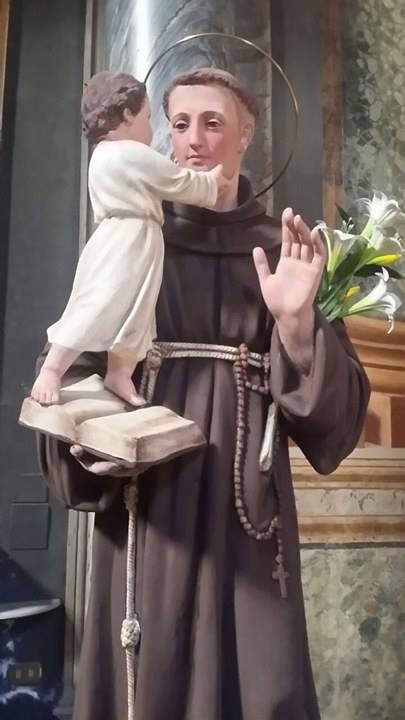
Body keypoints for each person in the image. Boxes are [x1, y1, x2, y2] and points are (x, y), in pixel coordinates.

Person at [38, 68, 370, 720]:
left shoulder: (283, 250)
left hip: (244, 514)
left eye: (213, 123)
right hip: (147, 500)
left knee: (257, 678)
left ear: (245, 135)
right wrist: (86, 441)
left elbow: (337, 424)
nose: (192, 140)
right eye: (179, 123)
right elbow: (75, 356)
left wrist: (296, 327)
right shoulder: (135, 232)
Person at [31, 71, 229, 407]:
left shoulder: (106, 154)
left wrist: (168, 172)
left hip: (136, 240)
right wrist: (212, 182)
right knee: (99, 303)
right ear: (126, 114)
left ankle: (120, 374)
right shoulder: (128, 153)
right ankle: (53, 369)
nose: (152, 130)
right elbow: (179, 182)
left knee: (138, 313)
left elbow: (158, 178)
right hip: (126, 243)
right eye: (148, 118)